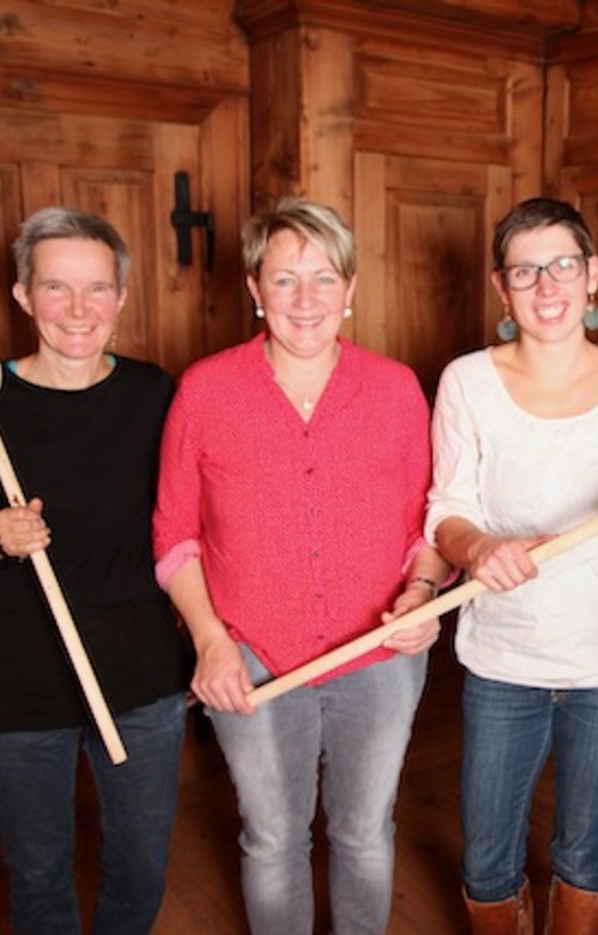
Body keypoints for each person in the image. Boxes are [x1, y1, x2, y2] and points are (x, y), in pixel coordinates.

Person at [152, 196, 448, 935]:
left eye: (324, 278)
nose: (306, 298)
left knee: (365, 832)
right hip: (250, 656)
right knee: (273, 839)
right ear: (255, 288)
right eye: (285, 279)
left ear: (351, 288)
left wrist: (422, 589)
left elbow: (429, 523)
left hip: (378, 655)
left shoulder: (395, 389)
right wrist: (210, 640)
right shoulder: (205, 389)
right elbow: (174, 534)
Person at [0, 207, 190, 934]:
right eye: (56, 287)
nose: (77, 309)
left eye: (97, 288)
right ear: (23, 294)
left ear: (121, 297)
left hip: (138, 672)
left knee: (141, 865)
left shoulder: (155, 395)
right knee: (38, 879)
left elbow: (192, 515)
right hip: (14, 677)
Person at [426, 197, 598, 934]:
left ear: (593, 274)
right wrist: (477, 548)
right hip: (503, 658)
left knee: (585, 853)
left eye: (563, 265)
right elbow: (447, 508)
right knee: (486, 860)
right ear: (502, 288)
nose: (547, 286)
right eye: (525, 271)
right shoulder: (466, 381)